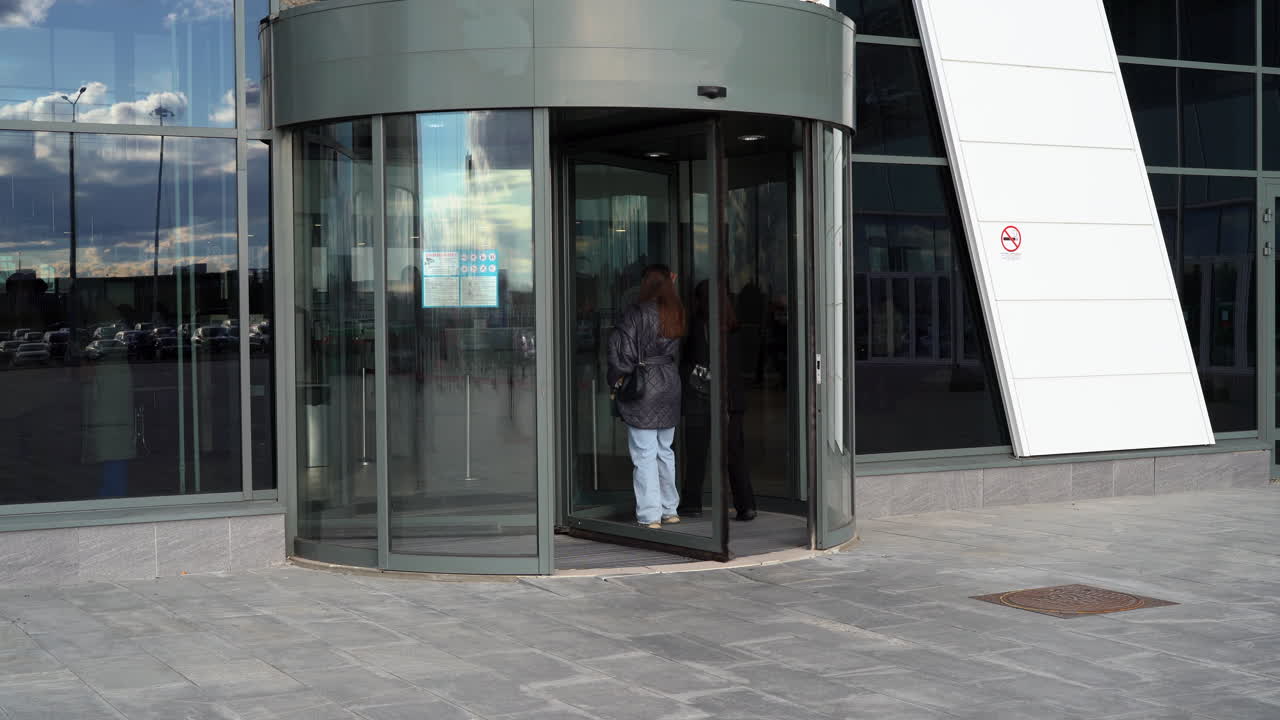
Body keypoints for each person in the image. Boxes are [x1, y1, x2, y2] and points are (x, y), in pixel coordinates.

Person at [608, 264, 685, 529]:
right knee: (665, 450)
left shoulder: (636, 313)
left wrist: (616, 380)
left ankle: (649, 515)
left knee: (644, 453)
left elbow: (622, 355)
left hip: (644, 387)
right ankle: (669, 509)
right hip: (670, 383)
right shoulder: (675, 311)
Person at [680, 280, 757, 521]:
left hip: (704, 398)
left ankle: (692, 503)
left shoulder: (698, 325)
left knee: (697, 451)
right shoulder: (734, 327)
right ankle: (746, 505)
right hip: (733, 399)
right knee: (735, 453)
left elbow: (692, 361)